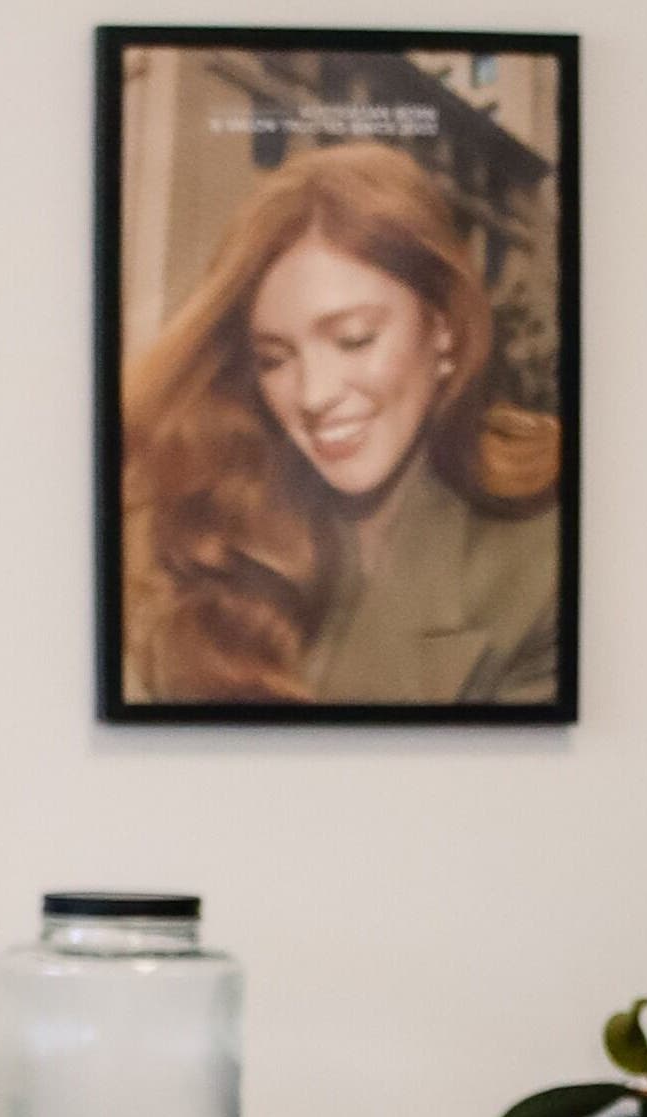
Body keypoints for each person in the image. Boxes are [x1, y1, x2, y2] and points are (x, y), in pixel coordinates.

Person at [123, 141, 561, 707]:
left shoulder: (546, 560)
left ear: (445, 328)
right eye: (275, 359)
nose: (313, 395)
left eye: (354, 339)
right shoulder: (206, 538)